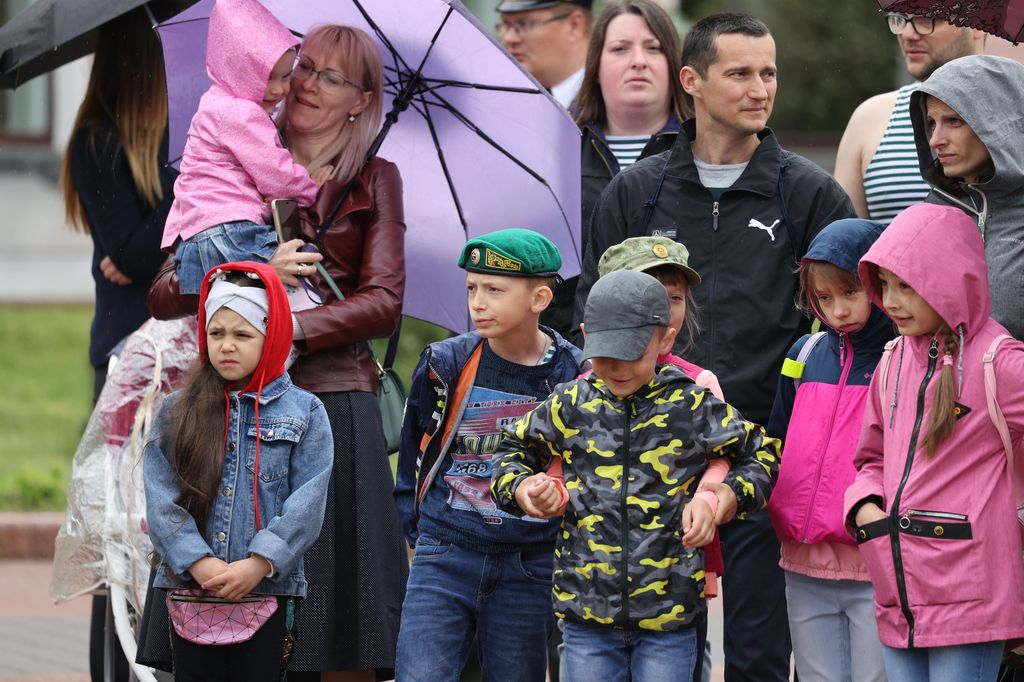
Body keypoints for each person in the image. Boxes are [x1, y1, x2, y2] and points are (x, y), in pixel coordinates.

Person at [574, 12, 855, 680]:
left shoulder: (811, 194)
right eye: (741, 73)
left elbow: (849, 332)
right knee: (652, 655)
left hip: (765, 456)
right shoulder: (636, 193)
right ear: (692, 81)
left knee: (758, 657)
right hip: (645, 462)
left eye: (769, 73)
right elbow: (593, 316)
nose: (761, 89)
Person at [145, 23, 408, 682]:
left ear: (361, 100)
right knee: (223, 630)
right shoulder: (233, 147)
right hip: (233, 408)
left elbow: (382, 303)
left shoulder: (375, 179)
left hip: (334, 401)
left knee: (335, 637)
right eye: (303, 67)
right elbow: (164, 292)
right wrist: (251, 278)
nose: (307, 84)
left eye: (331, 77)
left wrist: (285, 330)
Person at [491, 269, 780, 682]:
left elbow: (762, 453)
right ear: (587, 336)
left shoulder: (691, 403)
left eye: (631, 353)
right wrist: (523, 489)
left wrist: (721, 497)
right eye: (604, 354)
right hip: (586, 616)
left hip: (670, 618)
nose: (616, 367)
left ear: (665, 340)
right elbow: (510, 450)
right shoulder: (570, 402)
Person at [392, 228, 583, 682]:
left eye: (494, 290)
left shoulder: (574, 372)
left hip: (530, 561)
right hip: (445, 550)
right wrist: (416, 532)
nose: (477, 303)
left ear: (539, 298)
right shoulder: (445, 362)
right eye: (471, 288)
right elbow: (414, 448)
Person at [845, 201, 1024, 680]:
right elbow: (870, 459)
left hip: (970, 599)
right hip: (898, 593)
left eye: (906, 285)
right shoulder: (892, 359)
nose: (891, 301)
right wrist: (865, 508)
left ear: (950, 278)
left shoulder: (999, 362)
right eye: (885, 285)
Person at [59, 9, 178, 681]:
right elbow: (132, 253)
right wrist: (191, 179)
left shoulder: (177, 140)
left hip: (180, 357)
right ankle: (117, 670)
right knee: (122, 533)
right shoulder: (99, 140)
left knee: (169, 526)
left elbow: (139, 253)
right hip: (127, 362)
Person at [143, 261, 333, 681]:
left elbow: (307, 502)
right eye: (216, 333)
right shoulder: (177, 410)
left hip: (266, 590)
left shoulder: (306, 412)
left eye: (243, 334)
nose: (227, 345)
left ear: (272, 334)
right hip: (191, 591)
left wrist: (260, 563)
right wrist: (196, 561)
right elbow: (161, 497)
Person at [765, 219, 891, 682]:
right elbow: (778, 437)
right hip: (803, 558)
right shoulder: (804, 351)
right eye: (823, 297)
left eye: (850, 292)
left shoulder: (902, 357)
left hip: (875, 560)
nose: (837, 310)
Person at [595, 236, 725, 682]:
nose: (664, 309)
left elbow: (727, 455)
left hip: (676, 570)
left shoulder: (698, 385)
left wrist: (708, 497)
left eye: (675, 297)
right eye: (648, 292)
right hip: (597, 576)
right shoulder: (585, 385)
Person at [543, 0, 689, 342]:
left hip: (682, 356)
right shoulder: (556, 152)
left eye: (653, 48)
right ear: (595, 66)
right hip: (576, 353)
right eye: (620, 49)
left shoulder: (703, 152)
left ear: (675, 66)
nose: (638, 60)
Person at [161, 0, 326, 296]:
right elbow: (276, 176)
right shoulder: (242, 113)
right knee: (300, 276)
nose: (279, 89)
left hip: (196, 237)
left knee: (228, 305)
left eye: (285, 76)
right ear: (236, 70)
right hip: (230, 230)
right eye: (266, 77)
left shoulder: (214, 102)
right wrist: (309, 187)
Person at [906, 54, 1024, 341]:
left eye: (954, 121)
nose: (935, 140)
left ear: (999, 121)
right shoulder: (928, 216)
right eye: (931, 122)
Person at [834, 11, 985, 222]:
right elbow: (846, 236)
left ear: (977, 23)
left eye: (927, 18)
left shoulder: (1015, 113)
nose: (907, 33)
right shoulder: (870, 117)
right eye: (900, 19)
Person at [496, 0, 592, 109]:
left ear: (574, 26)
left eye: (526, 24)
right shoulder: (506, 103)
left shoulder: (604, 104)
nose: (509, 38)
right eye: (506, 25)